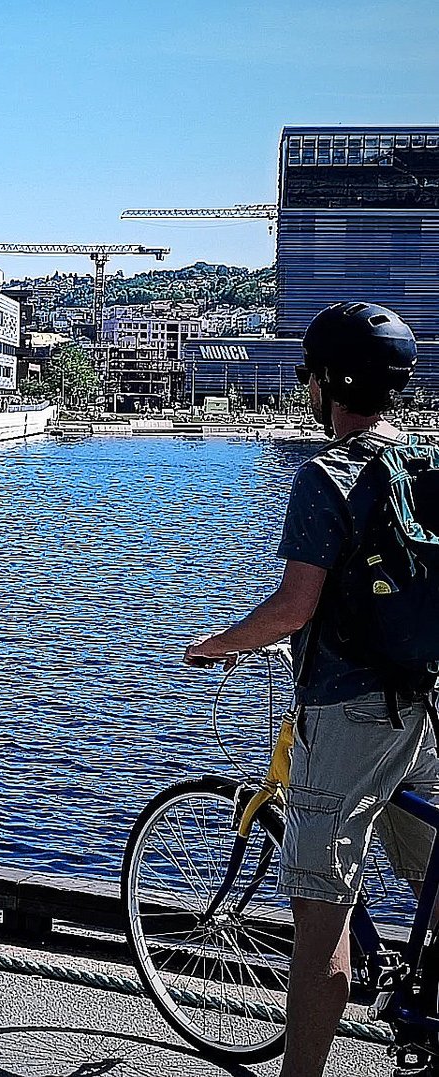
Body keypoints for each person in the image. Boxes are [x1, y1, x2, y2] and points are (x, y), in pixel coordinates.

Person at [184, 302, 431, 1077]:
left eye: (309, 377)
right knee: (433, 885)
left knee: (320, 919)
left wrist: (221, 643)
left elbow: (295, 606)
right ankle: (422, 1024)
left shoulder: (327, 475)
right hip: (423, 705)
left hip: (348, 713)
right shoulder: (424, 462)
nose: (307, 391)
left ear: (331, 382)